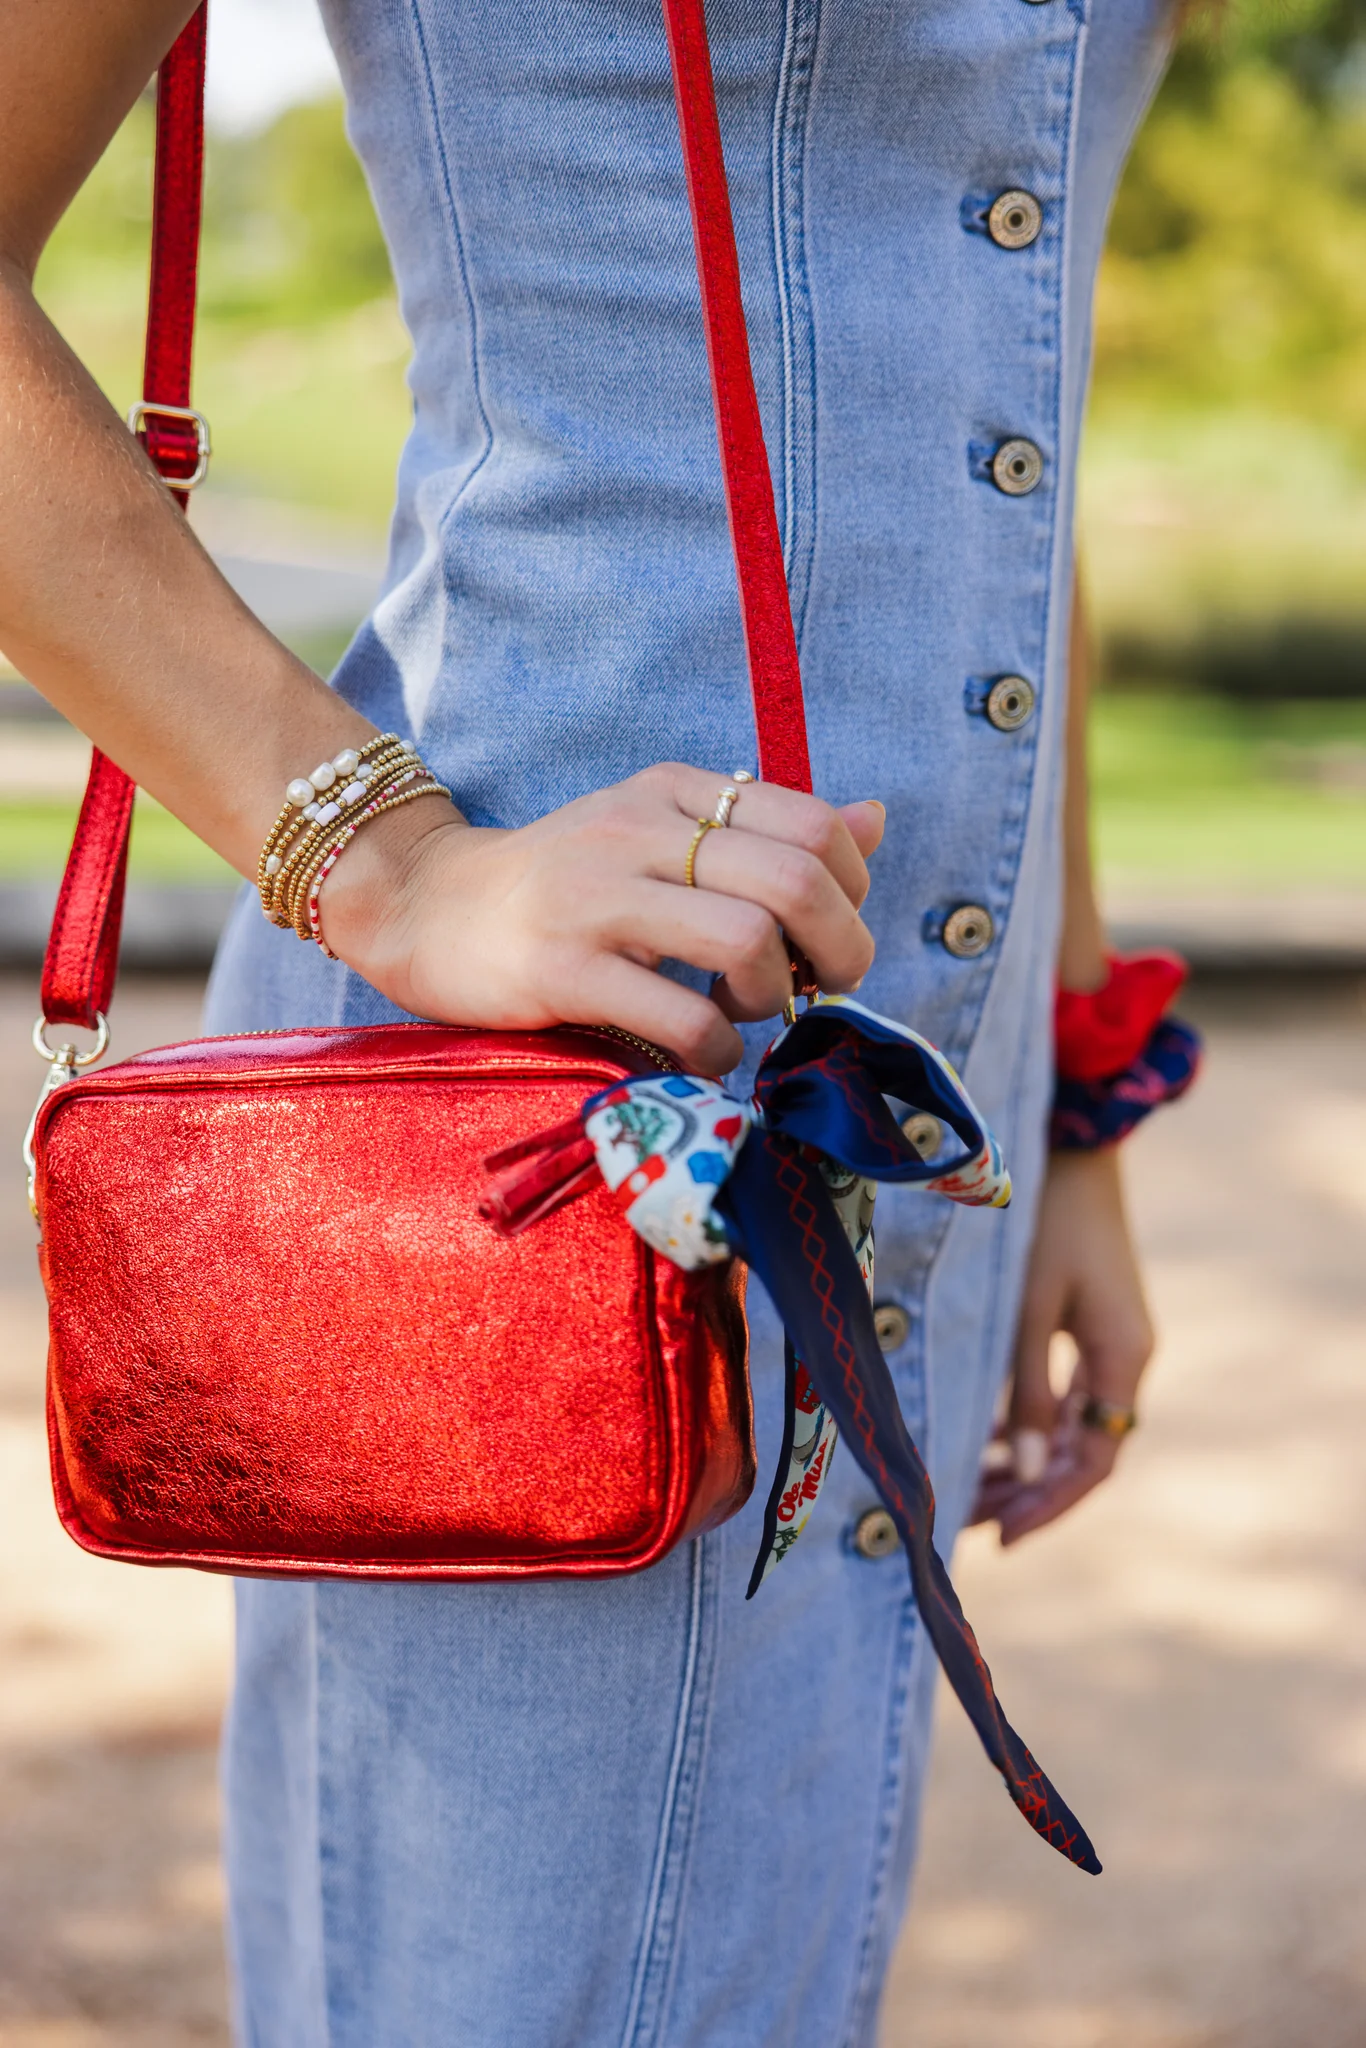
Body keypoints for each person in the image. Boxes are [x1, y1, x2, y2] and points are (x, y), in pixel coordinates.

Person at [0, 0, 1174, 2039]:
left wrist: (1068, 1084)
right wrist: (389, 862)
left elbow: (1009, 389)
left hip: (897, 1104)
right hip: (520, 1146)